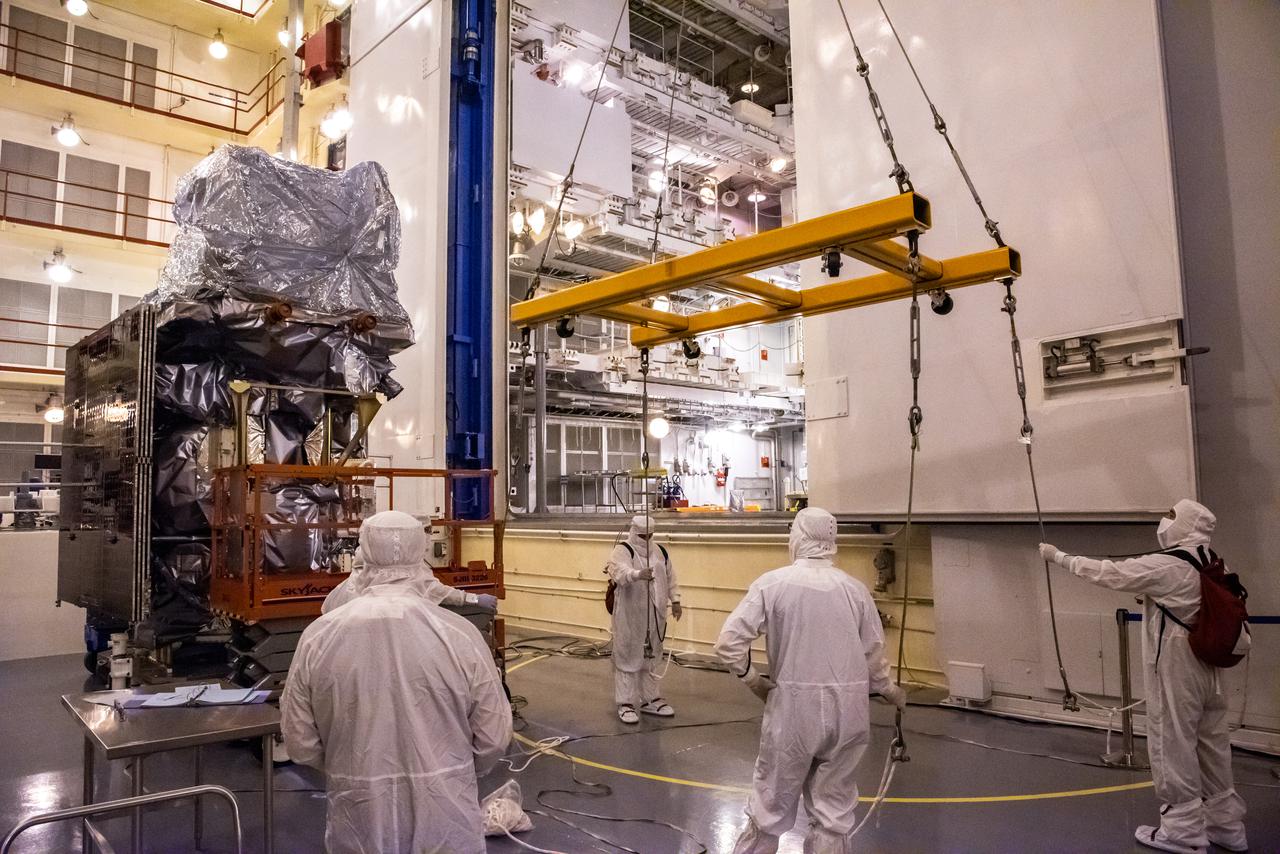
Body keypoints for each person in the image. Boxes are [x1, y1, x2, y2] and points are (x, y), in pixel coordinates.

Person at [282, 510, 512, 854]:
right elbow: (494, 735)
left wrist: (350, 769)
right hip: (446, 816)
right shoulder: (459, 635)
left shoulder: (319, 636)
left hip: (360, 817)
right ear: (420, 550)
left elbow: (300, 741)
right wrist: (452, 771)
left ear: (363, 551)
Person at [1040, 498, 1248, 854]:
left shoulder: (1167, 564)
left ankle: (1183, 834)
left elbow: (1108, 573)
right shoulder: (1214, 562)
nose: (1165, 521)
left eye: (1171, 516)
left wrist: (1058, 556)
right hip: (1211, 671)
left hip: (1178, 668)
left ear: (1184, 524)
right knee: (1213, 747)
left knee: (1172, 744)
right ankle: (1227, 828)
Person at [715, 507, 905, 854]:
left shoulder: (772, 584)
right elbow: (874, 653)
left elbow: (729, 643)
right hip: (848, 714)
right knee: (833, 815)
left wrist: (752, 680)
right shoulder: (855, 590)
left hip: (793, 713)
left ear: (798, 536)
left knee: (769, 809)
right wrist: (890, 690)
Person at [321, 517, 498, 615]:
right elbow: (436, 590)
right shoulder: (409, 574)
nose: (429, 536)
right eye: (426, 531)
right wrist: (473, 599)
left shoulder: (348, 584)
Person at [608, 514, 682, 724]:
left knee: (650, 657)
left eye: (650, 535)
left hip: (655, 616)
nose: (646, 539)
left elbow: (671, 578)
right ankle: (625, 703)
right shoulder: (623, 550)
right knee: (628, 655)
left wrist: (676, 600)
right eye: (642, 536)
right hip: (630, 616)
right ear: (634, 532)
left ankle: (651, 699)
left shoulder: (660, 552)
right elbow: (618, 571)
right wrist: (637, 574)